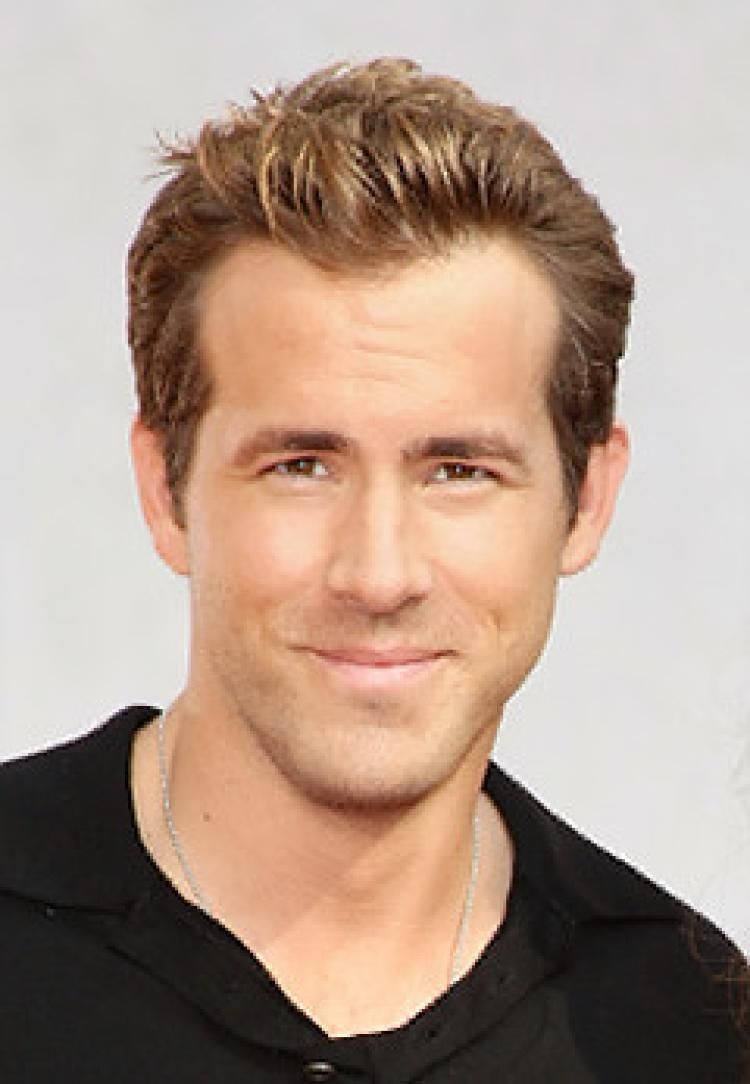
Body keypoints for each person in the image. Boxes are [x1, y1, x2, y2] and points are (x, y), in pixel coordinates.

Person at [0, 58, 743, 1081]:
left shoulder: (685, 1029)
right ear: (164, 489)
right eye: (301, 466)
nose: (379, 573)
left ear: (587, 501)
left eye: (459, 471)